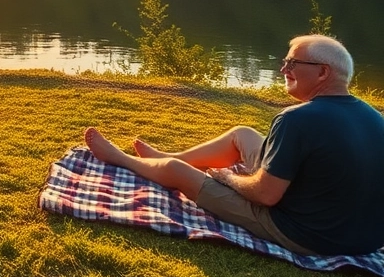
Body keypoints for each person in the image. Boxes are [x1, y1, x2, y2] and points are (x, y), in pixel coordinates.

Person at [83, 35, 384, 256]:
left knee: (178, 172)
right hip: (365, 238)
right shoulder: (375, 118)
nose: (283, 70)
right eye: (285, 61)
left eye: (293, 63)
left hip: (308, 235)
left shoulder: (297, 119)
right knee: (243, 134)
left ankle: (122, 159)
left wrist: (228, 177)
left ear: (323, 72)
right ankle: (166, 157)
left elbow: (266, 195)